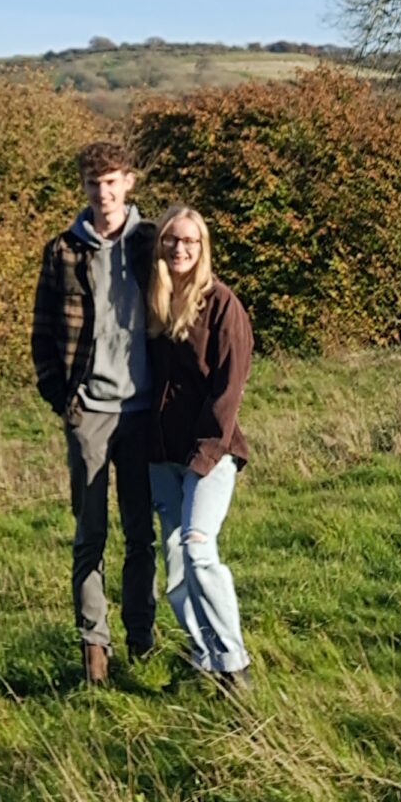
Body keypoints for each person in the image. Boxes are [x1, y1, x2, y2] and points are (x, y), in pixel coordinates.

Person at [31, 139, 157, 685]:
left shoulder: (153, 242)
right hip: (90, 414)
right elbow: (43, 331)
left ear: (128, 182)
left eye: (110, 182)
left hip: (143, 411)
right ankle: (94, 651)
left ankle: (142, 640)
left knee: (141, 534)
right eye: (92, 184)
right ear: (83, 188)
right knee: (90, 535)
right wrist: (63, 399)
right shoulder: (62, 251)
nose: (102, 193)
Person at [146, 203, 253, 686]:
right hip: (160, 454)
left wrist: (205, 455)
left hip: (211, 453)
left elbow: (229, 388)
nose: (180, 248)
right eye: (171, 239)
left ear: (202, 247)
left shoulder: (223, 305)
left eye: (190, 240)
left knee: (198, 549)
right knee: (174, 565)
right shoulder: (153, 303)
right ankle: (204, 656)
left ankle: (234, 664)